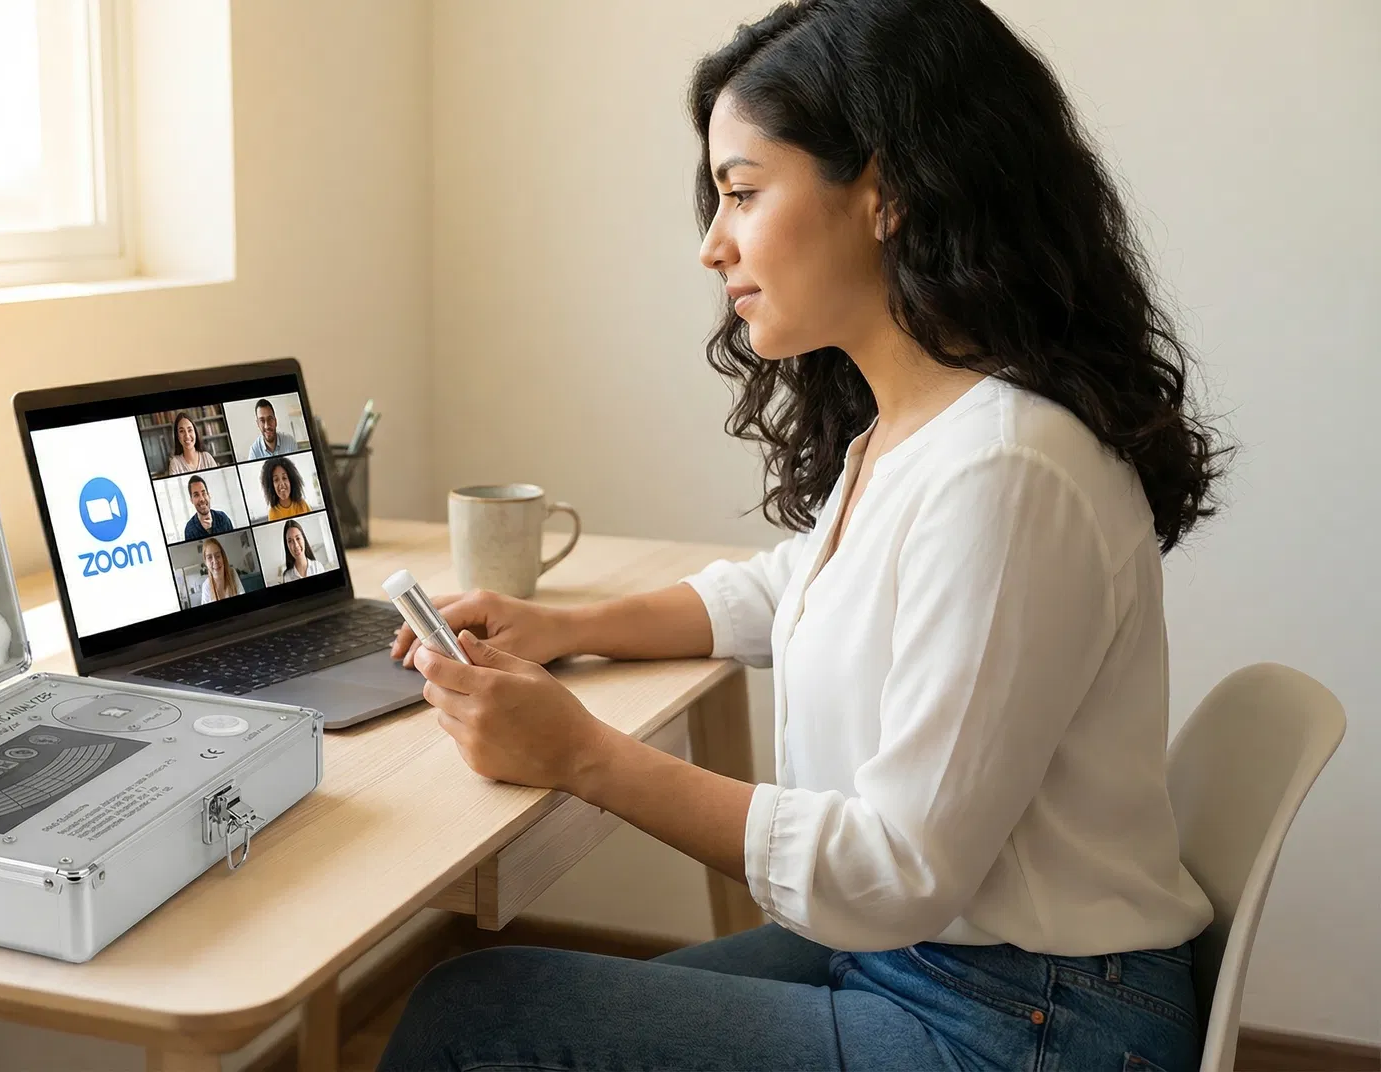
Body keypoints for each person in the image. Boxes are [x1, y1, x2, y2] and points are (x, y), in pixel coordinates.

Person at [380, 2, 1229, 1070]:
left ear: (887, 193)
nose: (711, 244)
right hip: (939, 964)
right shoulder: (928, 427)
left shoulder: (1007, 469)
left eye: (741, 192)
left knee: (476, 1018)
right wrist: (567, 625)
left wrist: (580, 752)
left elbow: (894, 869)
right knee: (482, 1006)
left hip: (1021, 1022)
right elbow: (798, 588)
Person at [181, 476, 235, 540]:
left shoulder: (223, 518)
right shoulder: (189, 529)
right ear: (191, 500)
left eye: (204, 493)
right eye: (196, 495)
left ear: (209, 495)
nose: (202, 499)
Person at [194, 537, 243, 605]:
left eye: (218, 556)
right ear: (206, 563)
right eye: (209, 557)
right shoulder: (206, 586)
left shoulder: (232, 573)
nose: (215, 561)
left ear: (223, 557)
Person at [261, 456, 312, 521]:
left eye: (284, 478)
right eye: (276, 480)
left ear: (291, 480)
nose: (282, 484)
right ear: (271, 486)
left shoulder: (302, 504)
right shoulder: (273, 513)